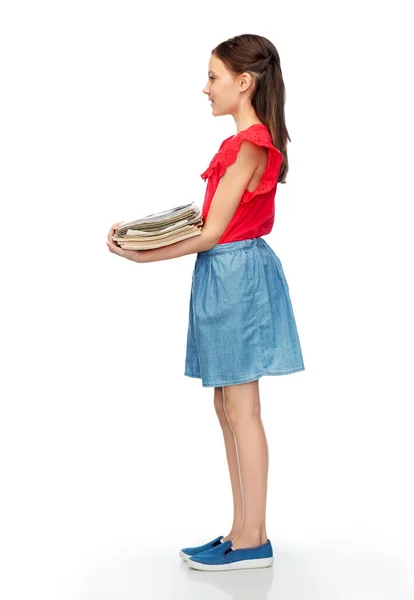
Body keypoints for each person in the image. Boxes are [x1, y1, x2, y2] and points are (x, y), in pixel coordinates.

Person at [107, 33, 305, 572]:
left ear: (244, 83)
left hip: (236, 272)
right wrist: (146, 232)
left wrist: (141, 256)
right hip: (227, 273)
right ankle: (242, 530)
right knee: (228, 407)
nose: (205, 87)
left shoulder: (249, 144)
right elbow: (211, 225)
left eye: (214, 77)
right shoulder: (242, 143)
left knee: (242, 410)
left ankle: (254, 542)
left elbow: (213, 232)